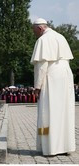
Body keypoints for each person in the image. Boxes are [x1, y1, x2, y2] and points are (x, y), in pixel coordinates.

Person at [31, 18, 75, 156]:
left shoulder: (43, 40)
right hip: (66, 75)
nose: (34, 34)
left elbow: (41, 66)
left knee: (47, 112)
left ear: (40, 28)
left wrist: (37, 87)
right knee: (65, 112)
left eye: (34, 31)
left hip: (52, 77)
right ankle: (66, 146)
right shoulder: (61, 37)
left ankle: (50, 148)